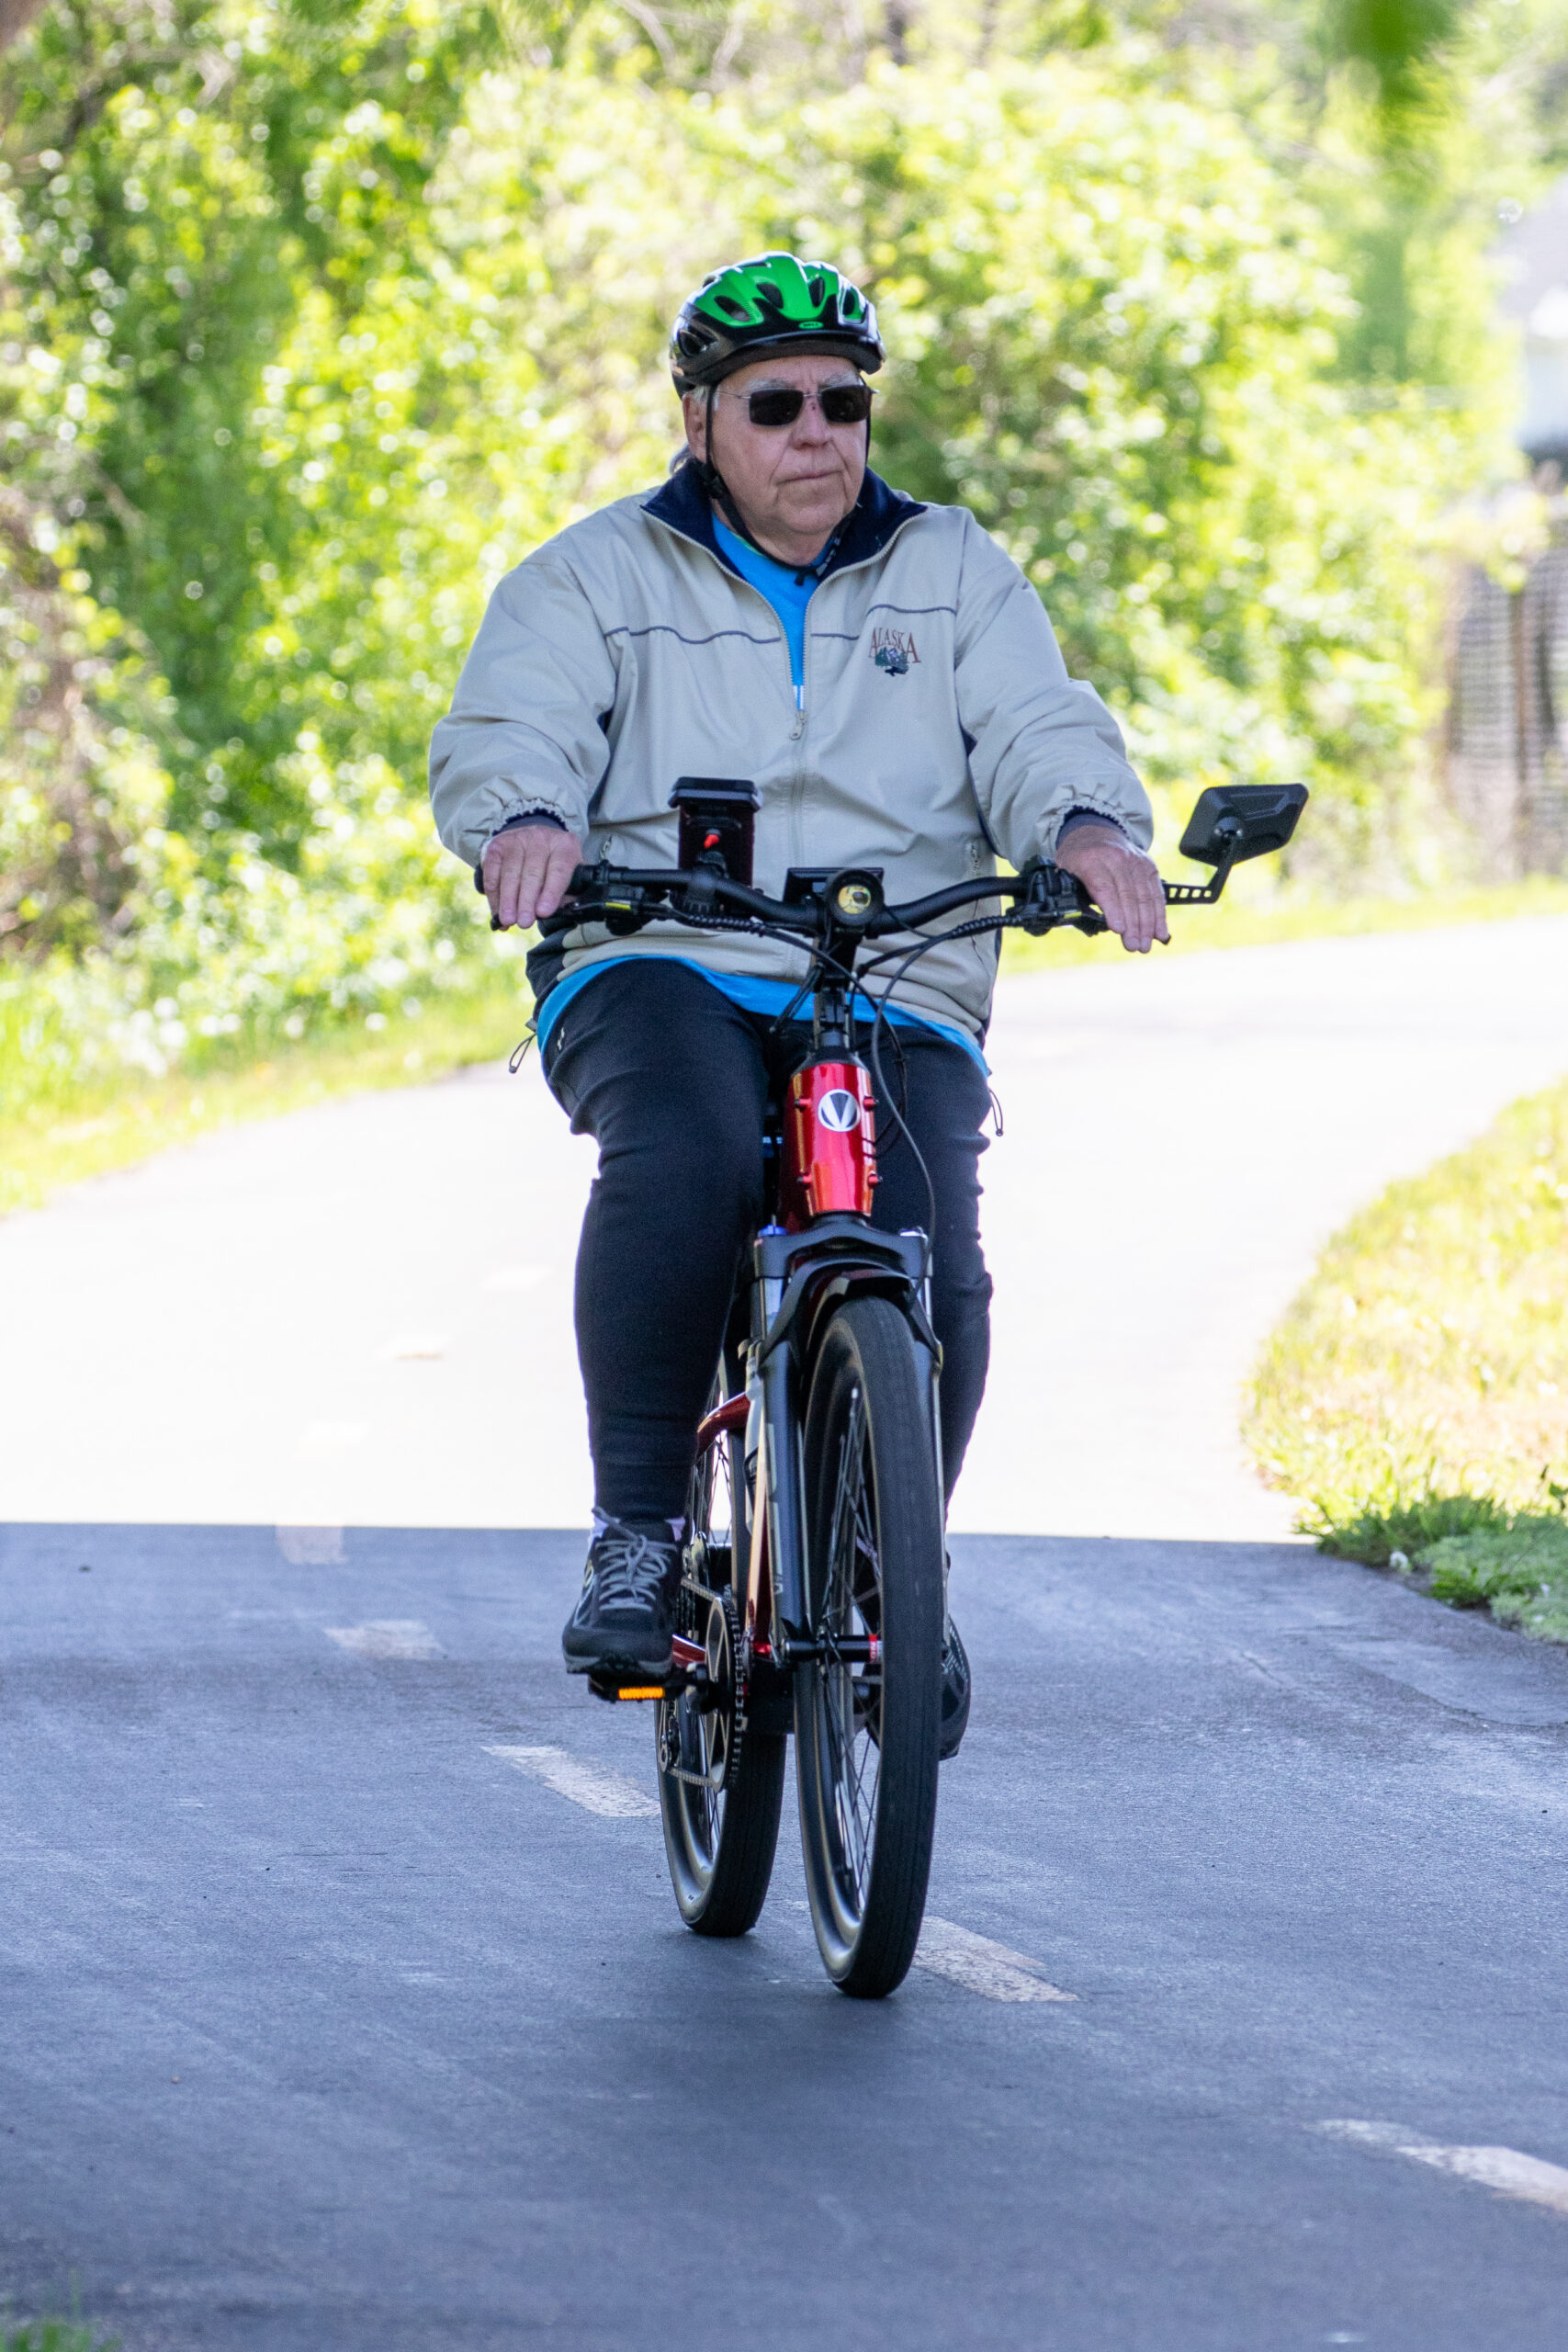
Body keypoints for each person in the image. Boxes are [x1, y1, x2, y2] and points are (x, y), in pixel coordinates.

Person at [429, 252, 1165, 1756]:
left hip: (894, 969)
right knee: (691, 1157)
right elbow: (513, 726)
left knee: (937, 1255)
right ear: (700, 421)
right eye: (776, 406)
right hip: (659, 953)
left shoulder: (955, 571)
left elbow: (1039, 727)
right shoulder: (595, 576)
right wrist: (526, 819)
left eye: (845, 402)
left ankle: (897, 1566)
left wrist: (1089, 829)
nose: (817, 432)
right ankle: (638, 1536)